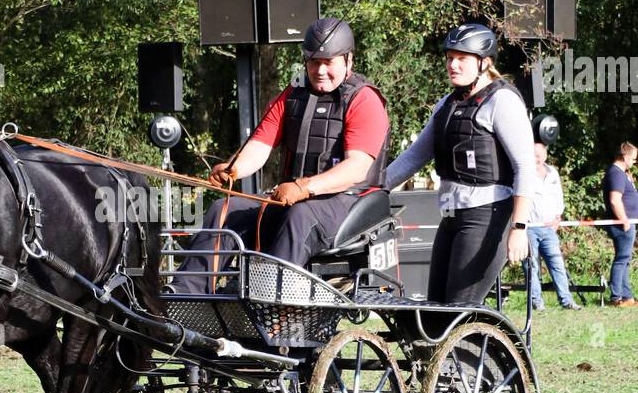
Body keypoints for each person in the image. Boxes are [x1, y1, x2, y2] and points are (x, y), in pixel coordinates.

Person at [176, 17, 389, 294]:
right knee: (224, 209)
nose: (321, 70)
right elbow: (260, 146)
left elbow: (356, 169)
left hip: (349, 204)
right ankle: (185, 295)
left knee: (300, 215)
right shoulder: (293, 95)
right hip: (293, 199)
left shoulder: (364, 100)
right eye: (314, 62)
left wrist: (304, 187)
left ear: (348, 61)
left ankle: (269, 300)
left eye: (329, 62)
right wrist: (233, 168)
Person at [383, 22, 535, 305]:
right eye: (450, 58)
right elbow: (416, 155)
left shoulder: (502, 101)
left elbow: (525, 167)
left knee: (458, 312)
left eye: (461, 58)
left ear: (484, 63)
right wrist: (373, 186)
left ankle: (476, 349)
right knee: (435, 310)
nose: (452, 64)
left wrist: (520, 227)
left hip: (487, 217)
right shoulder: (447, 104)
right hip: (452, 217)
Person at [524, 143, 580, 310]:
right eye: (534, 154)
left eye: (539, 154)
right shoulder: (524, 174)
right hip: (530, 228)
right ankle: (536, 302)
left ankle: (567, 300)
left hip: (549, 228)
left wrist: (558, 217)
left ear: (545, 155)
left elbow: (558, 197)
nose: (537, 158)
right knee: (531, 266)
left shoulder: (553, 173)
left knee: (557, 264)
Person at [602, 140, 638, 307]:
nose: (634, 162)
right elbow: (615, 200)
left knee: (625, 259)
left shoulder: (621, 173)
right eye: (633, 158)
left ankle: (627, 295)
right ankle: (616, 297)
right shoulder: (616, 173)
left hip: (627, 222)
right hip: (622, 224)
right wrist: (624, 220)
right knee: (622, 259)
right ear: (625, 156)